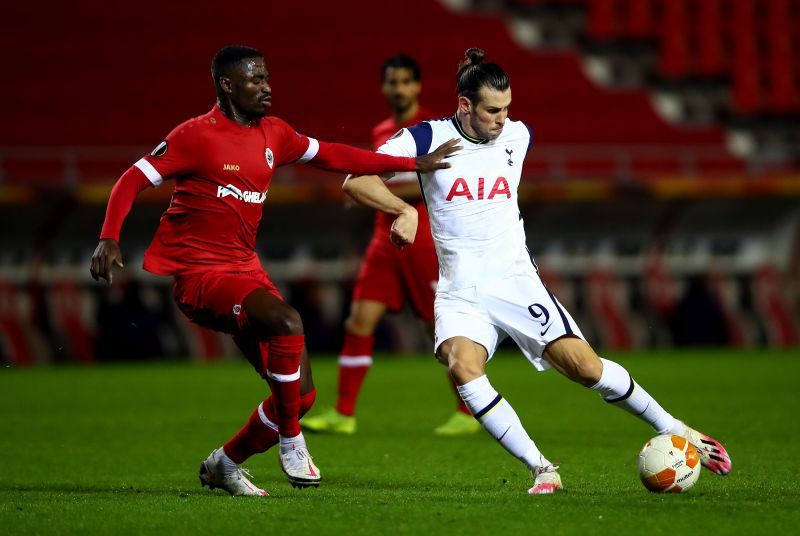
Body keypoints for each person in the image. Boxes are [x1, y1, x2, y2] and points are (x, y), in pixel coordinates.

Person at [341, 48, 732, 494]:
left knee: (585, 368)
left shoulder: (517, 135)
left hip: (515, 282)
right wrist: (400, 209)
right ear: (465, 106)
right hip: (460, 290)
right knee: (462, 366)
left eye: (507, 109)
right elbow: (355, 180)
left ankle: (677, 428)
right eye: (492, 111)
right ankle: (543, 468)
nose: (502, 120)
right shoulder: (426, 138)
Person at [89, 45, 457, 497]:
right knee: (288, 321)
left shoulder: (275, 134)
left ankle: (224, 464)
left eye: (266, 78)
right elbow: (132, 178)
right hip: (201, 277)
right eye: (255, 79)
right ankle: (292, 444)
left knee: (299, 398)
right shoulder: (194, 136)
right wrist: (109, 236)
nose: (267, 87)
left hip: (246, 271)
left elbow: (335, 156)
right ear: (227, 85)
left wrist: (409, 164)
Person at [301, 55, 479, 436]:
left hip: (424, 237)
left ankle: (469, 411)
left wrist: (379, 189)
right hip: (384, 237)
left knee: (440, 326)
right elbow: (375, 178)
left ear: (417, 86)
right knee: (359, 321)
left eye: (405, 82)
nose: (398, 89)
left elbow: (442, 181)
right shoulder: (382, 129)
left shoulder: (433, 128)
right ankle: (344, 412)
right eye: (392, 82)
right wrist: (368, 193)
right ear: (384, 87)